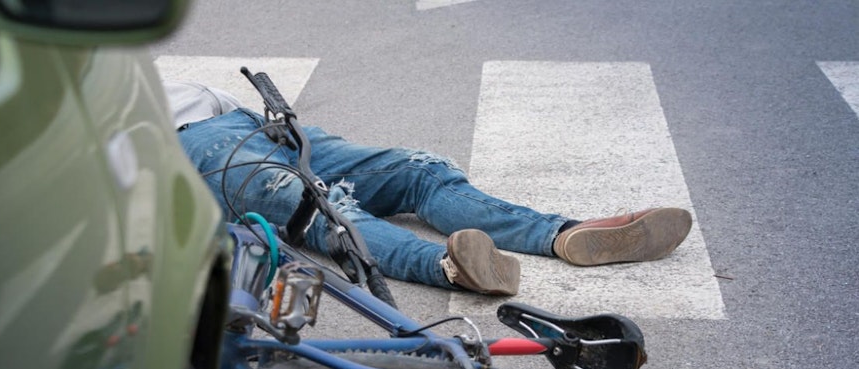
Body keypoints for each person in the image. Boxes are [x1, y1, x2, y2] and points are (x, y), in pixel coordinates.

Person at [165, 80, 693, 297]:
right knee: (325, 209)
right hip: (193, 147)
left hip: (260, 126)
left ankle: (562, 234)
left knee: (418, 170)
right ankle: (450, 268)